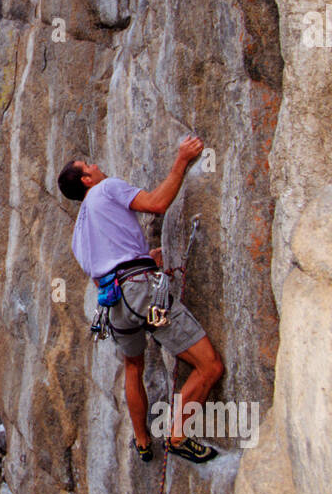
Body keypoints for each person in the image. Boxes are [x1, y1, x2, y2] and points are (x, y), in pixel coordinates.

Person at [58, 137, 223, 464]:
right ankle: (177, 436)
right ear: (87, 180)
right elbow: (156, 203)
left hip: (114, 305)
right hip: (142, 294)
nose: (96, 166)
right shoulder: (106, 189)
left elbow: (103, 271)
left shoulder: (78, 236)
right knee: (209, 365)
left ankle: (143, 440)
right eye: (89, 165)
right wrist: (181, 159)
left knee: (133, 365)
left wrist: (143, 259)